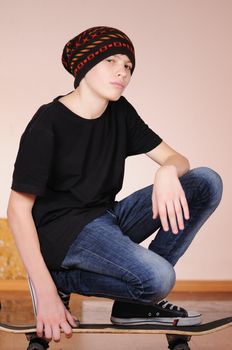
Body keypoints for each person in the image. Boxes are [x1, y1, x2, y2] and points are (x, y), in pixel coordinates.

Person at [7, 26, 223, 342]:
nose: (122, 72)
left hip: (108, 218)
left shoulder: (120, 111)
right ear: (84, 66)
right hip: (64, 233)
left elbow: (178, 160)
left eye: (128, 66)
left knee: (205, 182)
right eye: (112, 61)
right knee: (159, 278)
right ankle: (61, 281)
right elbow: (17, 210)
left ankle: (131, 305)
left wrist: (165, 172)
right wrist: (45, 290)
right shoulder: (48, 122)